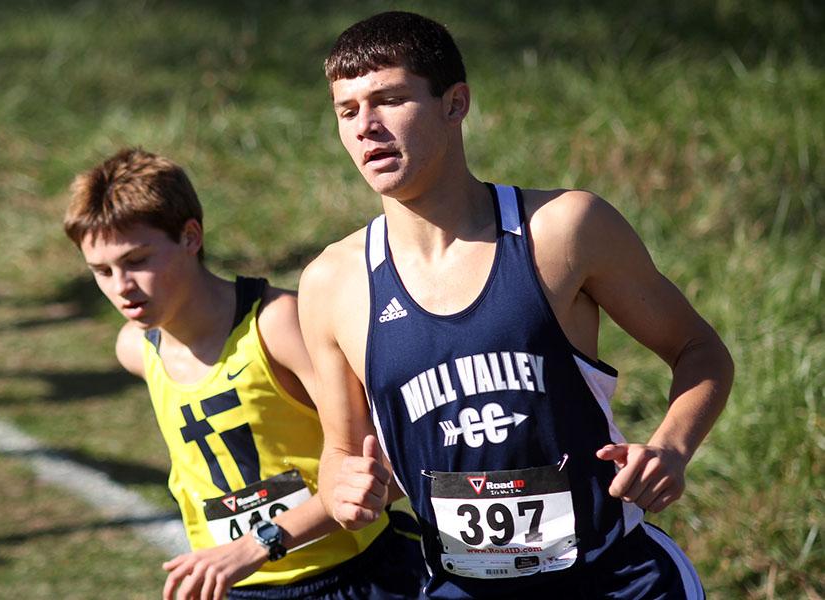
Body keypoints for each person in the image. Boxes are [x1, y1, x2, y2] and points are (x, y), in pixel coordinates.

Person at [298, 11, 733, 599]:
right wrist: (344, 490)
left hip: (615, 582)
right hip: (461, 588)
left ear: (456, 104)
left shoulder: (562, 229)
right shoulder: (332, 282)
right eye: (347, 111)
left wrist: (671, 448)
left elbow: (700, 350)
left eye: (390, 100)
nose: (366, 127)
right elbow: (342, 457)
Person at [63, 148, 426, 600]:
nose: (121, 287)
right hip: (242, 587)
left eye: (137, 260)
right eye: (102, 271)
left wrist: (263, 541)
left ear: (190, 236)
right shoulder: (136, 349)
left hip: (356, 577)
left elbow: (392, 465)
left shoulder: (278, 325)